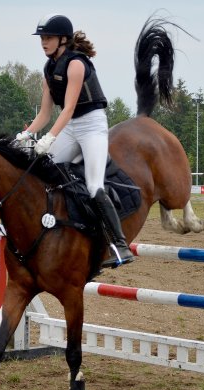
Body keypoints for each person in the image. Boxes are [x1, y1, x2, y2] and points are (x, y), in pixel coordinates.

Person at [16, 14, 134, 268]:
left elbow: (68, 108)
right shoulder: (48, 69)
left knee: (94, 186)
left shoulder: (76, 64)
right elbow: (45, 113)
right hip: (70, 127)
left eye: (48, 37)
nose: (43, 42)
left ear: (62, 39)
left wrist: (49, 137)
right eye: (42, 38)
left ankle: (119, 244)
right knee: (43, 171)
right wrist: (26, 134)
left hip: (92, 125)